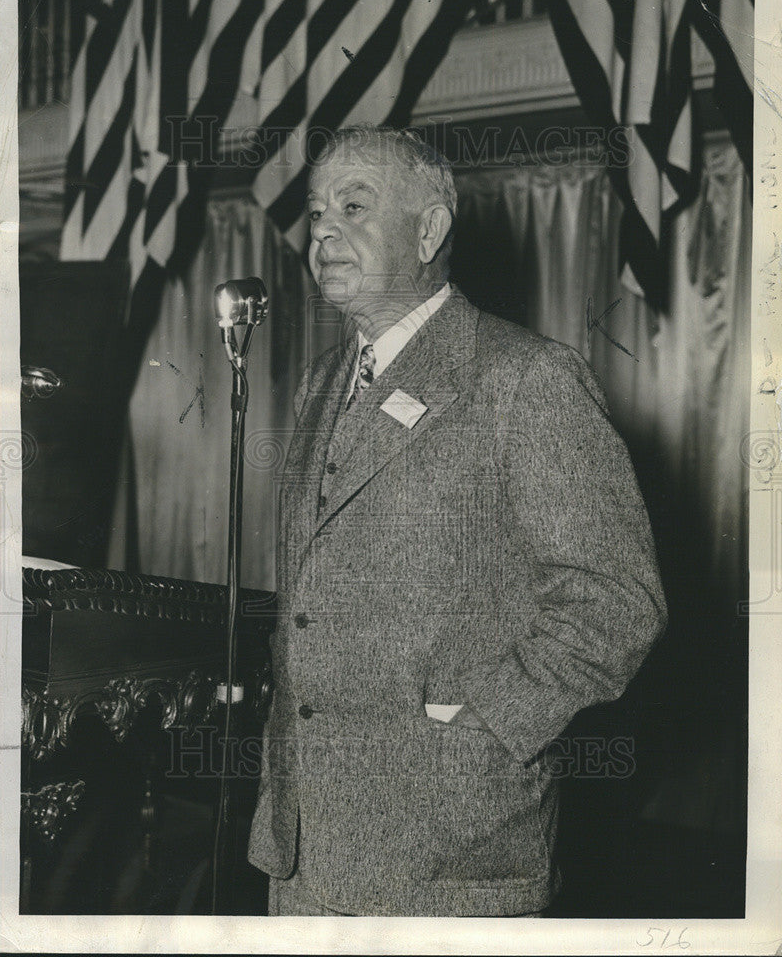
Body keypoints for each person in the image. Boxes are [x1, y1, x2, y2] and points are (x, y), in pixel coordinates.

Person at [247, 124, 666, 917]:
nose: (324, 229)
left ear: (430, 228)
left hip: (450, 853)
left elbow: (616, 602)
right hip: (302, 854)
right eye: (317, 210)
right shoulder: (318, 386)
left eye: (355, 205)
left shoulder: (524, 379)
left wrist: (482, 730)